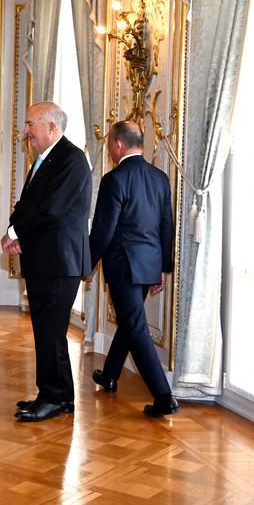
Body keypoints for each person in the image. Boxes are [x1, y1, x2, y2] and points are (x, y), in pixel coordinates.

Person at [1, 101, 92, 422]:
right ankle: (58, 395)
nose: (25, 131)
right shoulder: (47, 158)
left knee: (50, 332)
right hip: (46, 260)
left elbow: (51, 208)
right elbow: (28, 203)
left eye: (30, 124)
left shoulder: (71, 159)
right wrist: (15, 230)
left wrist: (15, 232)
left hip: (59, 262)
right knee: (47, 331)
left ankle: (53, 397)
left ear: (51, 127)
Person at [88, 121, 178, 417]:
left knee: (134, 325)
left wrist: (87, 263)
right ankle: (110, 374)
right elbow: (167, 226)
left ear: (118, 145)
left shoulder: (114, 179)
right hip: (149, 263)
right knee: (131, 320)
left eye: (110, 146)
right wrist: (162, 267)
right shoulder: (160, 177)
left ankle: (164, 396)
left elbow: (103, 230)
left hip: (123, 265)